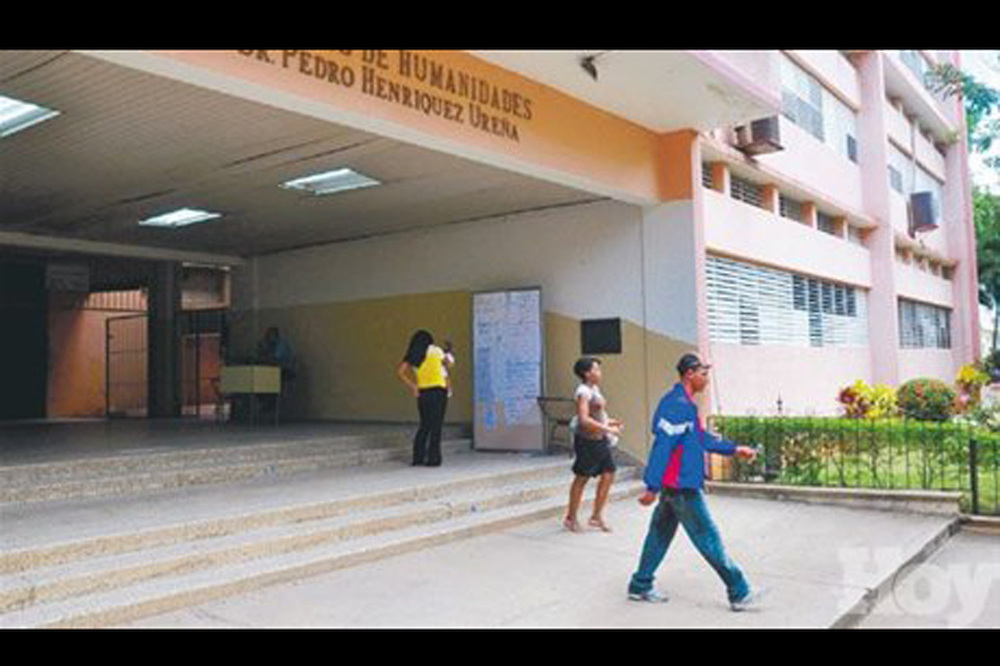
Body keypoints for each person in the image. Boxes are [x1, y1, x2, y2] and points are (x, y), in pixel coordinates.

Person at [627, 352, 764, 612]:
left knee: (659, 534)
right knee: (708, 538)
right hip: (681, 487)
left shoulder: (685, 405)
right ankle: (740, 591)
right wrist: (651, 486)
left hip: (677, 486)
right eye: (703, 374)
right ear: (689, 373)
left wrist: (736, 449)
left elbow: (702, 440)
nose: (706, 380)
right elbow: (662, 447)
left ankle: (640, 584)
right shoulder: (677, 405)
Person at [563, 357, 623, 533]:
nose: (599, 373)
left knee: (609, 473)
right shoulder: (583, 392)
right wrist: (607, 428)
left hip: (600, 440)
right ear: (587, 373)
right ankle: (571, 517)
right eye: (596, 369)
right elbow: (584, 418)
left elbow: (598, 414)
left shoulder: (594, 389)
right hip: (587, 442)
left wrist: (611, 423)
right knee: (582, 477)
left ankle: (596, 516)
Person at [396, 330, 453, 467]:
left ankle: (418, 458)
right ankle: (433, 459)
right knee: (436, 426)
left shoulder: (413, 354)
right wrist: (449, 354)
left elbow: (400, 372)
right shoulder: (436, 351)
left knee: (425, 425)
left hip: (422, 393)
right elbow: (448, 365)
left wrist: (413, 386)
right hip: (438, 392)